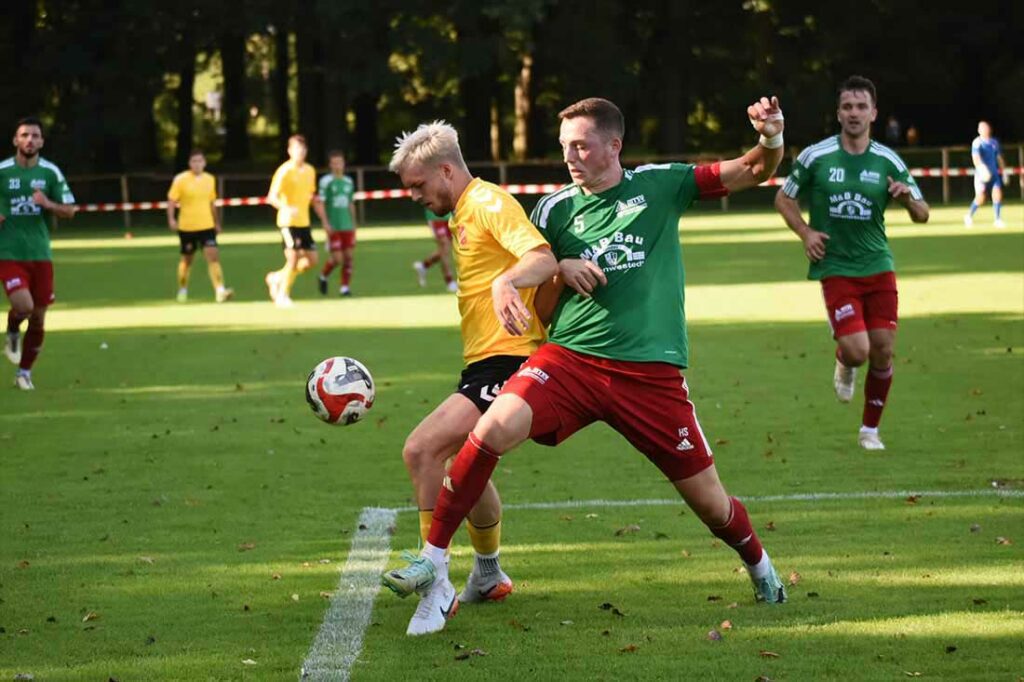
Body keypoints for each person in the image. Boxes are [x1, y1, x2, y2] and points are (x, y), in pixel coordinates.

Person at [383, 96, 789, 636]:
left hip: (649, 374)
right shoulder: (553, 209)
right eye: (564, 147)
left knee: (712, 505)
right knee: (489, 430)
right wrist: (558, 273)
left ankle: (760, 566)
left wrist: (770, 137)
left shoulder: (660, 186)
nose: (571, 156)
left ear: (613, 145)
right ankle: (435, 560)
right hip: (569, 360)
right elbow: (544, 283)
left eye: (581, 145)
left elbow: (751, 171)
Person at [385, 120, 557, 635]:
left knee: (422, 450)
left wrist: (508, 282)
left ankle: (436, 579)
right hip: (485, 360)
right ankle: (487, 574)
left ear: (445, 170)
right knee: (469, 464)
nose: (414, 195)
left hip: (509, 358)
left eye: (418, 185)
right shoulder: (464, 210)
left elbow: (542, 257)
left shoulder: (487, 203)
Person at [775, 75, 929, 451]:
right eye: (848, 106)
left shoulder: (888, 160)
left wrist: (908, 198)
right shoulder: (817, 156)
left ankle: (870, 431)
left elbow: (923, 213)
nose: (854, 113)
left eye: (862, 106)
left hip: (878, 265)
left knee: (883, 349)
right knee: (859, 351)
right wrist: (806, 233)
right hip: (837, 267)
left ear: (874, 113)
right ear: (838, 113)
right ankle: (844, 361)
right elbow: (784, 198)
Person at [0, 117, 77, 390]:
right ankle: (11, 330)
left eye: (35, 136)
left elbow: (70, 210)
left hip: (40, 254)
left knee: (39, 317)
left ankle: (24, 373)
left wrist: (47, 203)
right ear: (15, 140)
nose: (30, 140)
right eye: (24, 135)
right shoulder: (3, 172)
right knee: (24, 306)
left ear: (42, 141)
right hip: (8, 253)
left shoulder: (50, 173)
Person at [264, 134, 326, 307]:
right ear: (290, 151)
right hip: (287, 222)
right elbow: (272, 197)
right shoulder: (284, 170)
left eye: (303, 149)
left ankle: (276, 278)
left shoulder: (309, 170)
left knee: (312, 261)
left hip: (303, 222)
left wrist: (322, 217)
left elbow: (311, 195)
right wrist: (286, 208)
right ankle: (283, 295)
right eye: (297, 149)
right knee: (293, 257)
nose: (300, 152)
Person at [166, 149, 233, 303]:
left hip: (206, 226)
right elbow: (171, 200)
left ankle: (220, 290)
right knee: (187, 260)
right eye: (194, 161)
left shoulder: (210, 179)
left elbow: (212, 203)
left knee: (213, 256)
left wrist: (216, 222)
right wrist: (171, 219)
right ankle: (182, 288)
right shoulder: (181, 180)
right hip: (187, 226)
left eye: (200, 161)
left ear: (204, 163)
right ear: (190, 164)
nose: (197, 164)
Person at [316, 150, 358, 296]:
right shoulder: (325, 181)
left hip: (347, 225)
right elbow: (320, 203)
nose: (337, 166)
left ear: (344, 163)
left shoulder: (348, 181)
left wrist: (354, 223)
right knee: (338, 259)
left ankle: (345, 287)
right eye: (334, 163)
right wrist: (325, 223)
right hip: (333, 225)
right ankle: (323, 276)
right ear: (330, 165)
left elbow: (350, 203)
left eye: (339, 162)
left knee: (349, 257)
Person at [964, 121, 1007, 228]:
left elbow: (999, 157)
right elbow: (976, 158)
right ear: (979, 131)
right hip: (981, 175)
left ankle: (997, 219)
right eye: (983, 128)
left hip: (994, 174)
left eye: (987, 128)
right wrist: (982, 169)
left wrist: (1005, 172)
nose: (985, 130)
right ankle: (969, 215)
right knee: (981, 197)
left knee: (997, 193)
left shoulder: (994, 142)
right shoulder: (977, 143)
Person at [412, 208, 458, 292]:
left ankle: (424, 265)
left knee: (445, 250)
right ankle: (449, 281)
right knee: (444, 246)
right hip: (435, 216)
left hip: (449, 216)